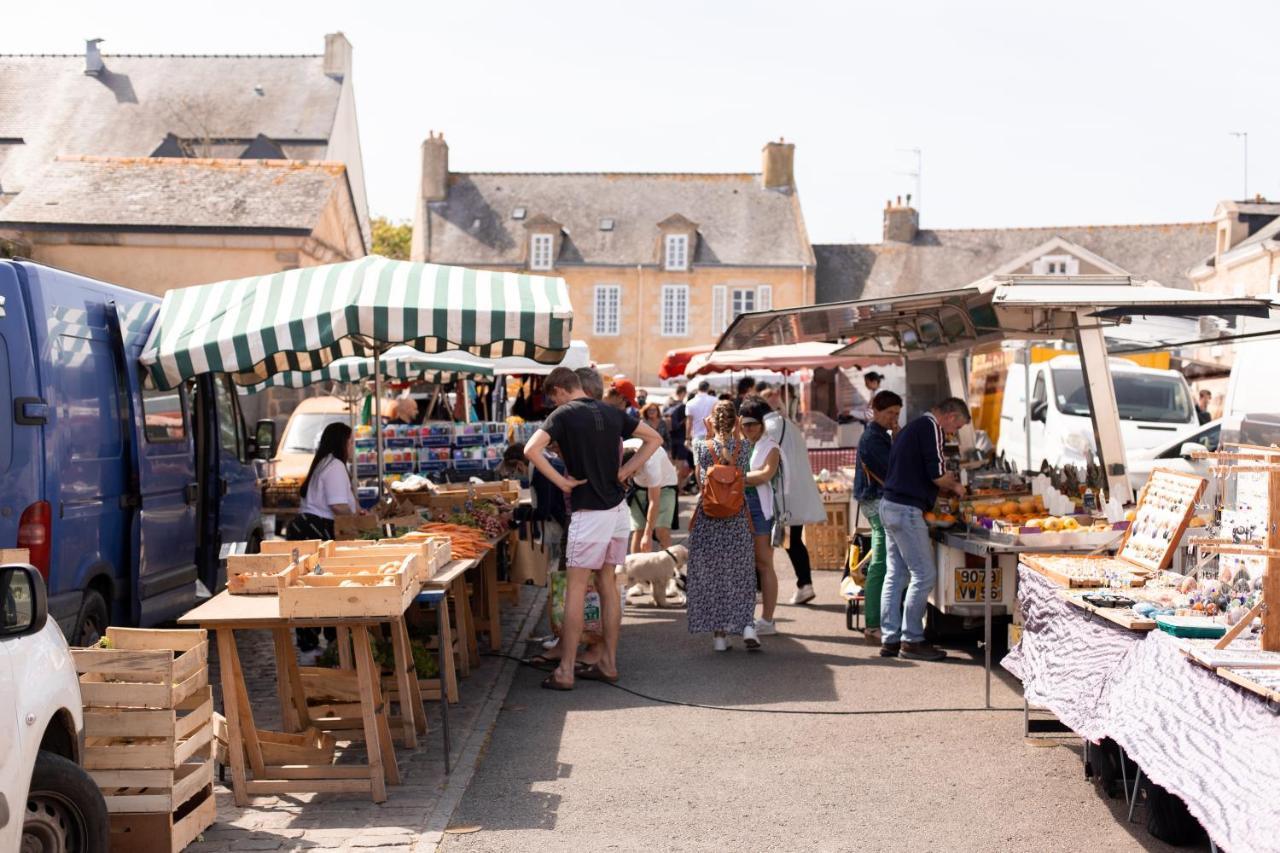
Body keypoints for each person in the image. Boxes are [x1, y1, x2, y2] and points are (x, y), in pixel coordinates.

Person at [525, 367, 663, 690]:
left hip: (588, 510)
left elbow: (532, 449)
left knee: (576, 589)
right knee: (608, 585)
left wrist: (561, 481)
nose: (552, 403)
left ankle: (566, 670)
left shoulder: (563, 415)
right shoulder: (613, 413)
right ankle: (608, 662)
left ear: (560, 390)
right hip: (617, 510)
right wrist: (626, 470)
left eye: (552, 397)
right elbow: (654, 438)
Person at [878, 397, 969, 661]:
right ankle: (912, 640)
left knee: (895, 574)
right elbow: (937, 474)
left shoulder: (913, 426)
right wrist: (955, 487)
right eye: (957, 427)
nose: (954, 433)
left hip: (890, 504)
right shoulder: (932, 428)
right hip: (906, 509)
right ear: (950, 417)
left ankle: (890, 638)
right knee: (924, 574)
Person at [687, 400, 760, 652]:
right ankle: (747, 625)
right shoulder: (746, 446)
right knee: (741, 573)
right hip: (737, 516)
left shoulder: (701, 446)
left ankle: (719, 636)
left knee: (714, 576)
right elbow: (744, 476)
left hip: (709, 517)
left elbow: (700, 481)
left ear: (712, 421)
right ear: (736, 422)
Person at [287, 422, 362, 651]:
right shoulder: (336, 465)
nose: (352, 447)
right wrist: (356, 519)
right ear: (342, 442)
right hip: (317, 532)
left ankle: (315, 642)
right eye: (351, 442)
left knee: (310, 585)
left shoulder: (324, 462)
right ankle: (321, 643)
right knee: (321, 584)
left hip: (307, 530)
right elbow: (338, 505)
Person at [761, 387, 827, 605]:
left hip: (777, 494)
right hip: (793, 493)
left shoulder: (768, 429)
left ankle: (763, 587)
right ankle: (804, 584)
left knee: (766, 541)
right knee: (792, 540)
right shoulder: (789, 425)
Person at [853, 390, 903, 644]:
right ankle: (873, 623)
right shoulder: (873, 437)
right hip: (876, 500)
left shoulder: (881, 435)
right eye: (890, 413)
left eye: (897, 413)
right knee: (882, 561)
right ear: (876, 411)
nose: (894, 418)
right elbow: (892, 469)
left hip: (877, 499)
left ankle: (880, 620)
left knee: (885, 559)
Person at [739, 397, 782, 635]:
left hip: (760, 507)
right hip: (736, 505)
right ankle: (744, 617)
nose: (749, 428)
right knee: (744, 564)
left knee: (764, 563)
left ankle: (767, 619)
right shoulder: (739, 444)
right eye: (745, 424)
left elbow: (766, 474)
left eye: (753, 424)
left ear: (762, 424)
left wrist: (736, 479)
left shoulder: (771, 446)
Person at [624, 437, 679, 553]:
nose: (630, 476)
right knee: (638, 531)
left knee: (661, 530)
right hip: (638, 487)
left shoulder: (651, 463)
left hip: (665, 485)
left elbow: (654, 502)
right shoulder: (618, 452)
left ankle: (667, 569)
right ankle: (636, 570)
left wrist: (648, 535)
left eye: (632, 472)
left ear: (637, 461)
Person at [685, 380, 717, 446]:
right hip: (712, 436)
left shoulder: (690, 403)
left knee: (697, 456)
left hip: (697, 437)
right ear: (708, 389)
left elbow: (689, 422)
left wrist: (687, 438)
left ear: (698, 389)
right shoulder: (715, 400)